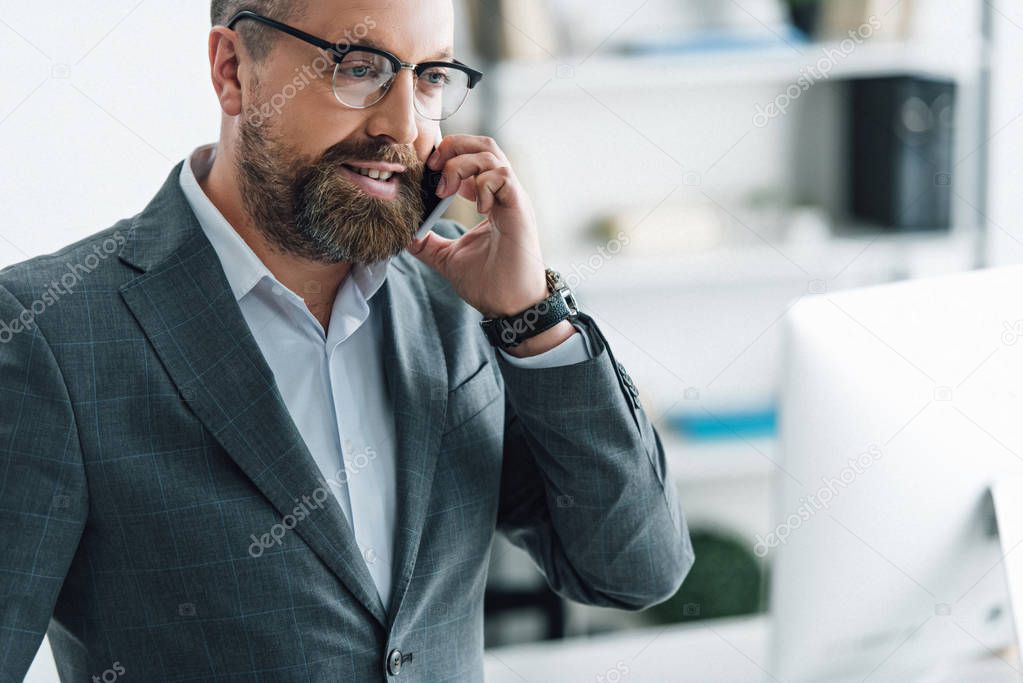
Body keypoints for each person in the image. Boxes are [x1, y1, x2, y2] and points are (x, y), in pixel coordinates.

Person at [0, 1, 693, 680]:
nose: (403, 126)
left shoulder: (461, 297)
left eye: (429, 78)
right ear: (233, 70)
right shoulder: (51, 333)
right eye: (360, 68)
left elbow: (635, 569)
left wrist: (531, 318)